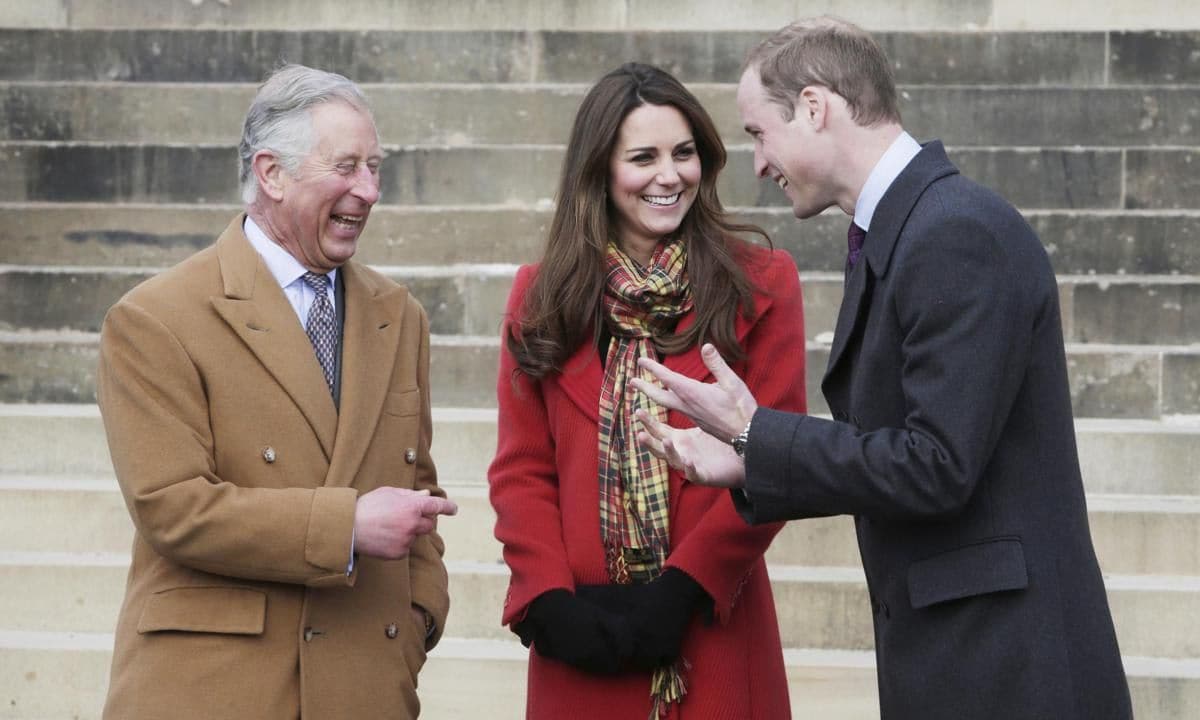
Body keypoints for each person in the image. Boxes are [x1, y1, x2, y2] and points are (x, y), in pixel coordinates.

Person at [632, 17, 1133, 720]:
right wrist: (751, 460)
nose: (758, 164)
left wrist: (760, 435)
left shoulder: (953, 231)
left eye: (756, 133)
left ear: (814, 107)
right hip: (964, 657)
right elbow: (896, 452)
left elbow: (936, 465)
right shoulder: (912, 227)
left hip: (1009, 670)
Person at [96, 64, 457, 720]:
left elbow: (417, 490)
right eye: (347, 166)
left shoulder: (399, 315)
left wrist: (418, 618)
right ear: (271, 173)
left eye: (376, 167)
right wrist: (346, 524)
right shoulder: (155, 317)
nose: (369, 191)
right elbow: (173, 507)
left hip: (364, 686)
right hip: (217, 690)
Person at [487, 62, 806, 719]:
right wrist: (546, 600)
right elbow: (522, 470)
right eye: (644, 157)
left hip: (710, 626)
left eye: (684, 153)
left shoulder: (764, 283)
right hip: (581, 638)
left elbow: (778, 458)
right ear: (600, 169)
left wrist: (684, 588)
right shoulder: (538, 297)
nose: (670, 175)